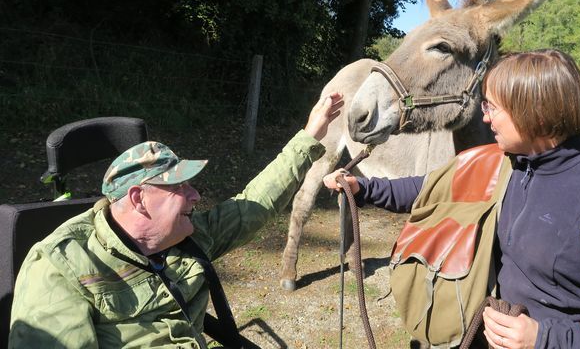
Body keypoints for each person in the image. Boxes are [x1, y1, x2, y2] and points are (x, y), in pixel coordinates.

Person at [325, 50, 580, 348]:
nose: (485, 118)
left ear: (537, 114)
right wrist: (362, 189)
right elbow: (430, 188)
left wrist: (545, 338)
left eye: (493, 108)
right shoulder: (505, 162)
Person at [9, 92, 344, 348]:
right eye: (179, 187)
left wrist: (309, 136)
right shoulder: (59, 269)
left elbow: (253, 205)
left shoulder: (186, 235)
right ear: (139, 199)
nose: (196, 195)